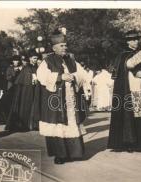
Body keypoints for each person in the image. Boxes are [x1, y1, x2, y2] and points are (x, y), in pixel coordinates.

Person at [35, 28, 88, 164]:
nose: (65, 48)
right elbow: (42, 77)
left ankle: (73, 152)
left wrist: (74, 76)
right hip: (56, 100)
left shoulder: (71, 60)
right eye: (62, 46)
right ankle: (60, 155)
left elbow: (82, 74)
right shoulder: (47, 61)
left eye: (65, 45)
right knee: (58, 126)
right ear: (54, 47)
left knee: (71, 122)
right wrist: (60, 76)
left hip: (70, 98)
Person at [5, 50, 39, 131]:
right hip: (27, 90)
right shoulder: (26, 68)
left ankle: (33, 124)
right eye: (34, 58)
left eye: (36, 58)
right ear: (30, 58)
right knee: (27, 106)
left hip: (35, 89)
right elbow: (24, 80)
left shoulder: (36, 67)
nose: (35, 60)